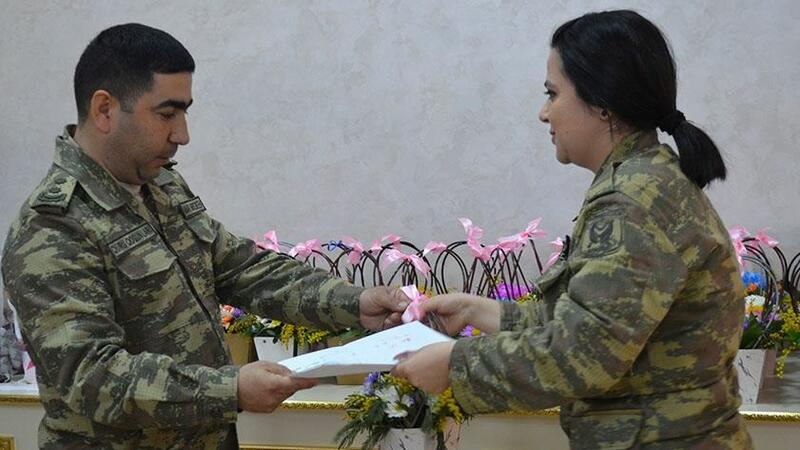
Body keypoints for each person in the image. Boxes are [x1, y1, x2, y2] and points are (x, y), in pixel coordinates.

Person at [1, 23, 408, 450]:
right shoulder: (52, 227)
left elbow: (243, 269)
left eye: (184, 113)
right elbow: (91, 376)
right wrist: (228, 389)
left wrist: (355, 303)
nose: (182, 135)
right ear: (104, 109)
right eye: (166, 114)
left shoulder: (160, 187)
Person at [394, 10, 753, 449]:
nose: (544, 113)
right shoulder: (643, 180)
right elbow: (590, 319)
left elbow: (586, 353)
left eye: (553, 94)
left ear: (602, 103)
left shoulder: (633, 199)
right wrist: (479, 312)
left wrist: (456, 364)